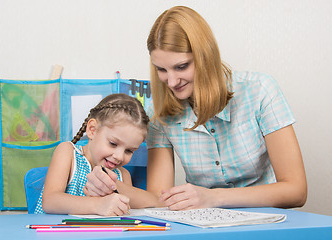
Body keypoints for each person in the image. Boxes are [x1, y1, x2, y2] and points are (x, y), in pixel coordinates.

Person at [84, 6, 307, 210]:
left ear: (205, 57)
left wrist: (214, 197)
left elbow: (296, 191)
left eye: (181, 67)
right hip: (203, 225)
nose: (171, 82)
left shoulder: (260, 91)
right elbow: (157, 199)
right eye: (161, 69)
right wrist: (109, 185)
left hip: (268, 222)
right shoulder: (158, 114)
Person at [34, 93, 150, 215]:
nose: (119, 156)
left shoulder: (122, 175)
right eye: (113, 143)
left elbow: (124, 212)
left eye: (129, 151)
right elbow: (50, 202)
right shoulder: (68, 152)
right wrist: (99, 205)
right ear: (92, 130)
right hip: (52, 231)